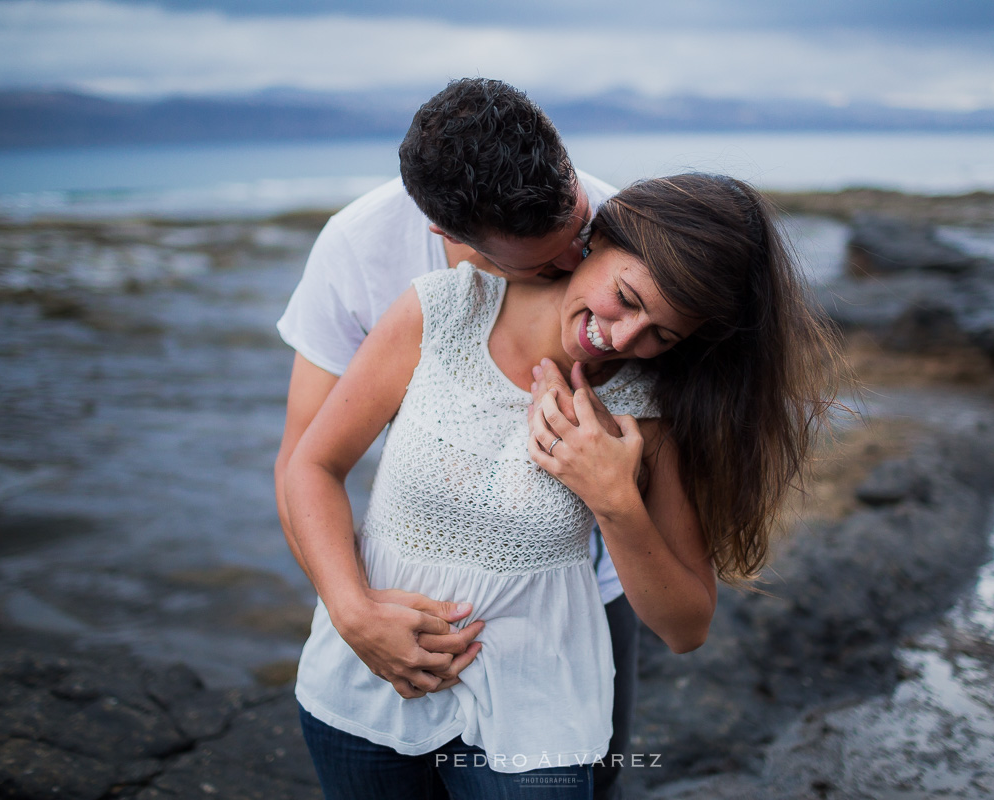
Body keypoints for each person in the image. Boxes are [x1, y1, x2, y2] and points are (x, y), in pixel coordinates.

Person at [284, 172, 840, 798]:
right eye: (627, 297)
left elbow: (687, 628)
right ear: (592, 238)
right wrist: (353, 612)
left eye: (663, 334)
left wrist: (611, 496)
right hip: (364, 687)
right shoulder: (441, 309)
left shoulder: (649, 407)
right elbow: (311, 467)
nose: (622, 338)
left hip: (536, 717)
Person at [274, 78, 644, 799]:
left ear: (560, 151)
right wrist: (351, 610)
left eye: (576, 230)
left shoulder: (625, 227)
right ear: (449, 239)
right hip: (412, 592)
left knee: (602, 783)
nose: (574, 267)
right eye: (540, 264)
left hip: (579, 603)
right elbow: (305, 458)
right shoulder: (359, 249)